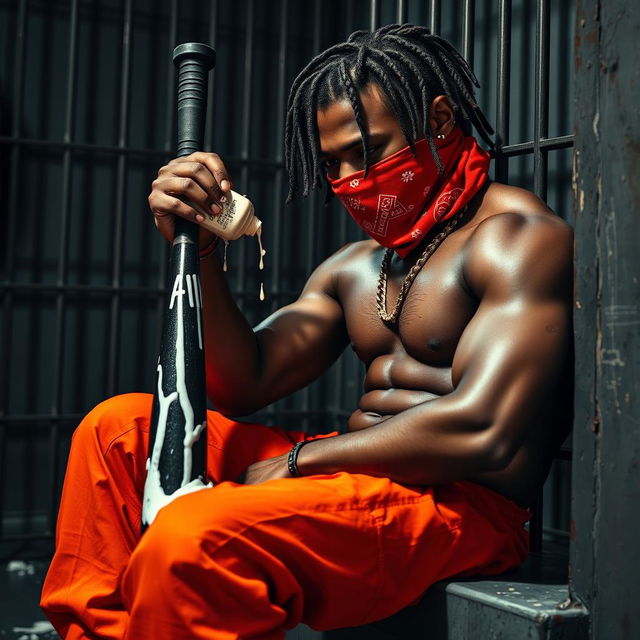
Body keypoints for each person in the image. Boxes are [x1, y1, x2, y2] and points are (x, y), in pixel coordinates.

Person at [41, 24, 573, 640]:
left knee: (195, 537)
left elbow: (483, 429)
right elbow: (244, 381)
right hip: (353, 476)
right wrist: (204, 249)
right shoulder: (356, 267)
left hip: (462, 507)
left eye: (366, 151)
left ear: (442, 118)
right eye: (332, 163)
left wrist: (297, 463)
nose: (349, 178)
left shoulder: (519, 240)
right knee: (117, 431)